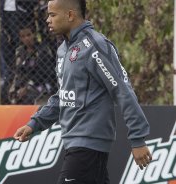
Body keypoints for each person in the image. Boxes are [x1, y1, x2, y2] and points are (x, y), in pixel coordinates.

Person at [13, 0, 152, 183]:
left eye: (52, 15)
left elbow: (122, 89)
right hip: (76, 144)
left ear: (70, 15)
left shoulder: (94, 45)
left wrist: (137, 139)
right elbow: (63, 95)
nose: (47, 20)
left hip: (87, 144)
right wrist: (35, 124)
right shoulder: (63, 49)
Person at [8, 24, 56, 105]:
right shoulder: (20, 51)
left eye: (28, 35)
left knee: (29, 96)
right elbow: (18, 71)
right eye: (23, 36)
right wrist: (15, 87)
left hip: (42, 83)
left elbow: (44, 74)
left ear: (34, 35)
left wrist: (27, 87)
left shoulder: (42, 50)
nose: (26, 38)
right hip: (23, 83)